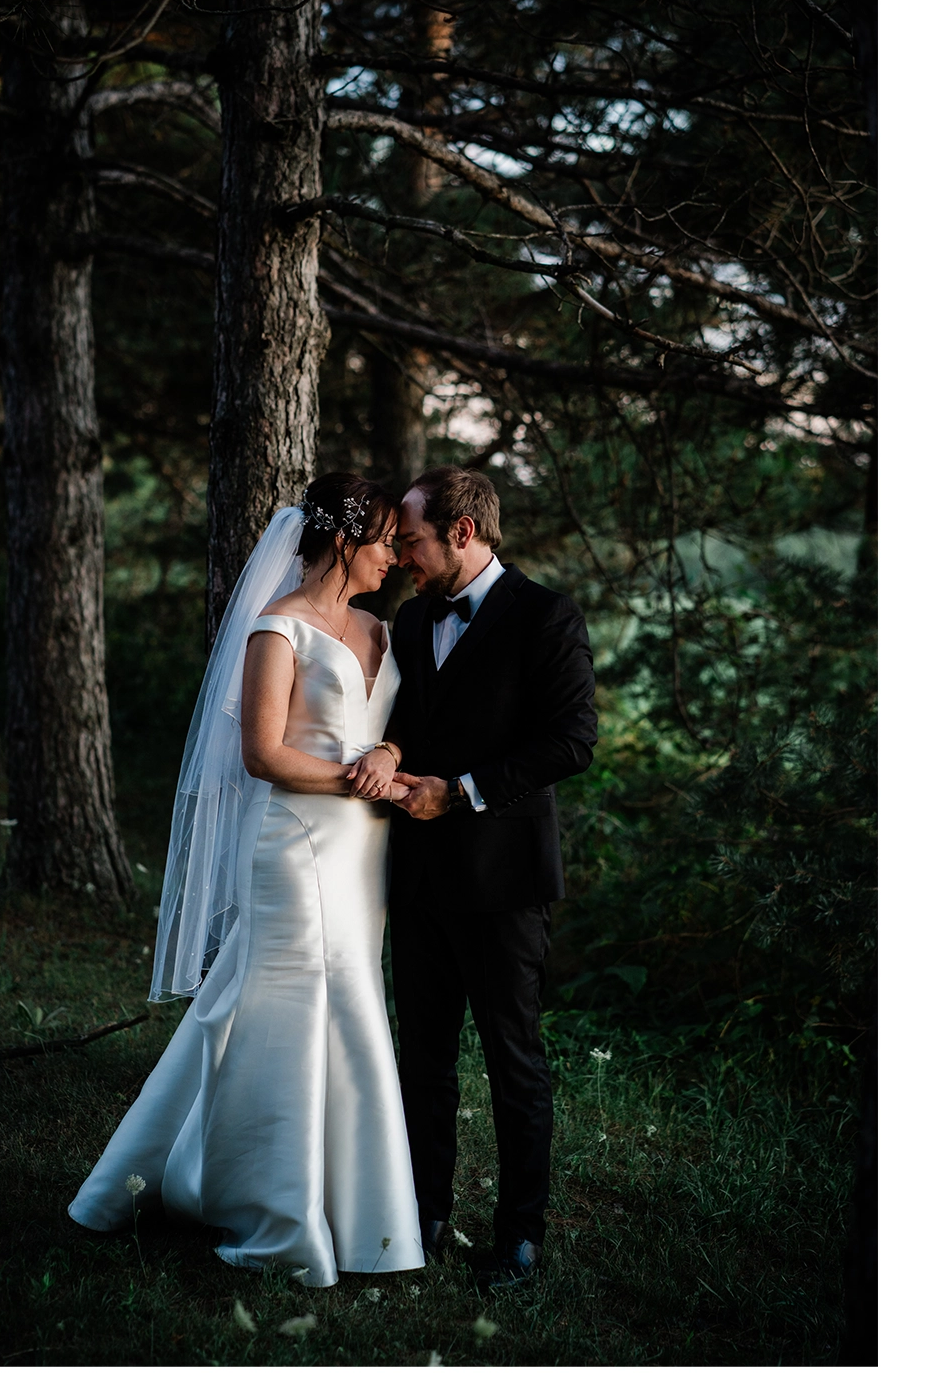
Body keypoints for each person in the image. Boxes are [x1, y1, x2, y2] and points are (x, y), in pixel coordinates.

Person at [69, 473, 426, 1288]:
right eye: (383, 545)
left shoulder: (379, 628)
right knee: (295, 1007)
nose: (394, 560)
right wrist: (355, 781)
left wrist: (390, 759)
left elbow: (394, 730)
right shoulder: (279, 628)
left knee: (348, 1001)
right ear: (343, 541)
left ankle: (354, 1205)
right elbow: (262, 754)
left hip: (362, 852)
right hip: (296, 844)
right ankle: (276, 1212)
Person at [353, 465, 598, 1288]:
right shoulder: (414, 619)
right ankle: (421, 1211)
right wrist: (390, 751)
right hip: (416, 880)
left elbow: (572, 741)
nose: (403, 558)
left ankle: (521, 1235)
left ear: (462, 532)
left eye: (413, 541)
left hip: (503, 883)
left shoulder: (547, 616)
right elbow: (399, 721)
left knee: (512, 1058)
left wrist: (458, 792)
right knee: (421, 1057)